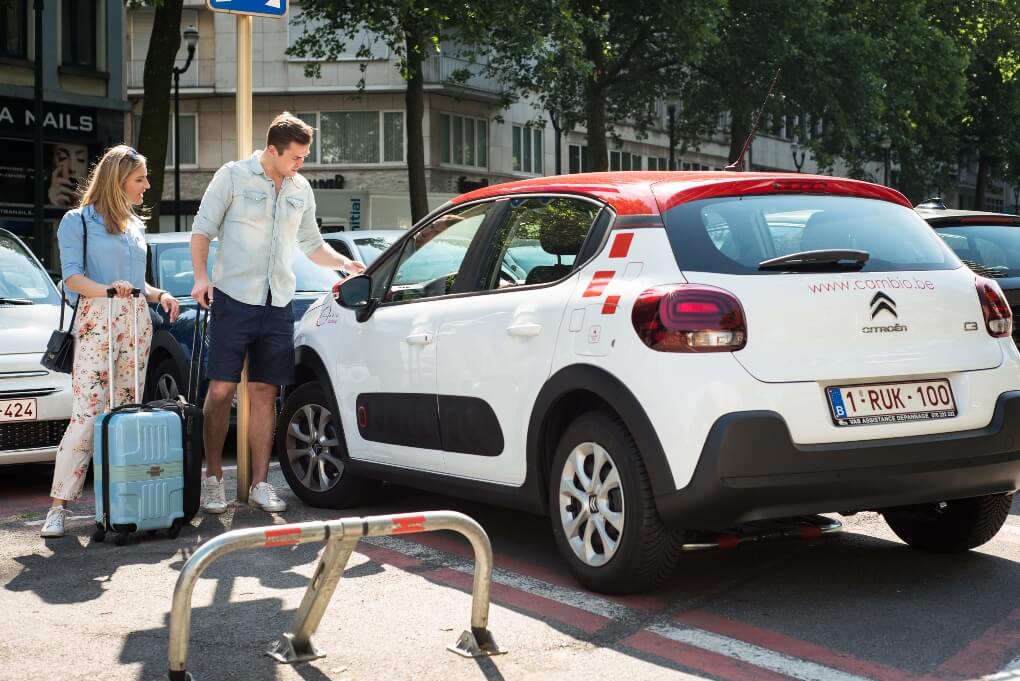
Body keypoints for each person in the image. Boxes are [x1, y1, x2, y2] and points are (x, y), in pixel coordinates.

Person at [190, 112, 365, 515]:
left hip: (277, 303)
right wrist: (201, 278)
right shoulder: (233, 176)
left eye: (304, 156)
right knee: (220, 392)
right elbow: (202, 230)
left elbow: (311, 243)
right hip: (233, 299)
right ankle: (213, 478)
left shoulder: (301, 188)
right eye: (297, 157)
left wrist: (345, 265)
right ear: (272, 150)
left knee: (265, 393)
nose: (302, 164)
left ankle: (259, 484)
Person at [41, 144, 182, 538]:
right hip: (96, 317)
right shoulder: (77, 221)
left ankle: (119, 503)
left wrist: (159, 295)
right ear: (117, 181)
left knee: (127, 412)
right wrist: (107, 290)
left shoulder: (136, 225)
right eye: (140, 179)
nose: (147, 185)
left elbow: (137, 284)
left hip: (136, 319)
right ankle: (58, 508)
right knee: (87, 414)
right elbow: (71, 277)